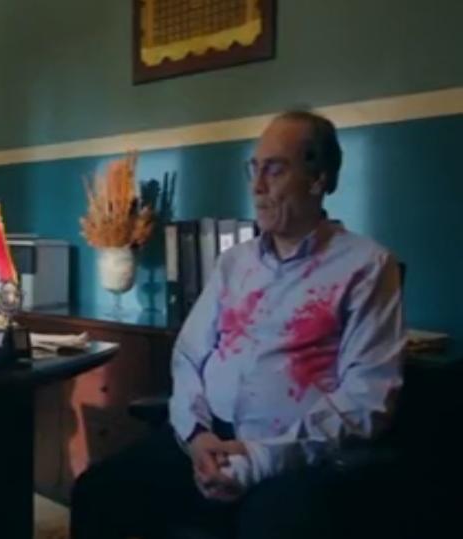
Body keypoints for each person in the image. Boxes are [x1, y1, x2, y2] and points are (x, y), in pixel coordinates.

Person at [70, 111, 406, 539]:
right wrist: (196, 435)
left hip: (293, 454)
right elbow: (189, 356)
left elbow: (367, 401)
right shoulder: (235, 262)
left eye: (275, 170)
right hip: (209, 437)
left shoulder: (367, 266)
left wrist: (258, 459)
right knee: (99, 492)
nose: (257, 186)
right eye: (254, 169)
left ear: (318, 179)